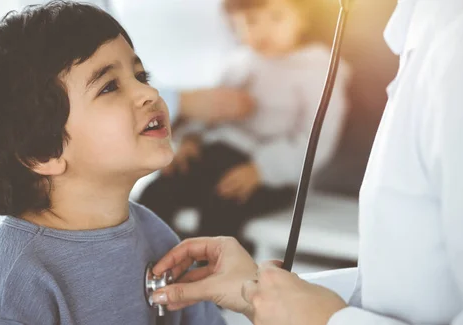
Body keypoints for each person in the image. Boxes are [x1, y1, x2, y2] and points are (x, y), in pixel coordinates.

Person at [149, 0, 463, 324]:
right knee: (162, 193)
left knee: (223, 204)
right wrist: (261, 292)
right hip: (222, 154)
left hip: (264, 171)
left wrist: (330, 320)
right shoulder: (433, 35)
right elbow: (411, 290)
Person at [0, 2, 226, 324]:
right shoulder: (12, 287)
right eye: (109, 86)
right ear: (42, 152)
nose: (149, 92)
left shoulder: (155, 236)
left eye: (140, 75)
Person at [139, 0, 350, 246]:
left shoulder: (318, 69)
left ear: (302, 17)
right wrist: (190, 140)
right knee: (155, 193)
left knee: (221, 209)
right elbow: (211, 113)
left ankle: (214, 277)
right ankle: (148, 266)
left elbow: (317, 140)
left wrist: (262, 169)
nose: (262, 30)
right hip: (217, 156)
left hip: (269, 175)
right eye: (250, 22)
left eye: (276, 17)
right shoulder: (239, 63)